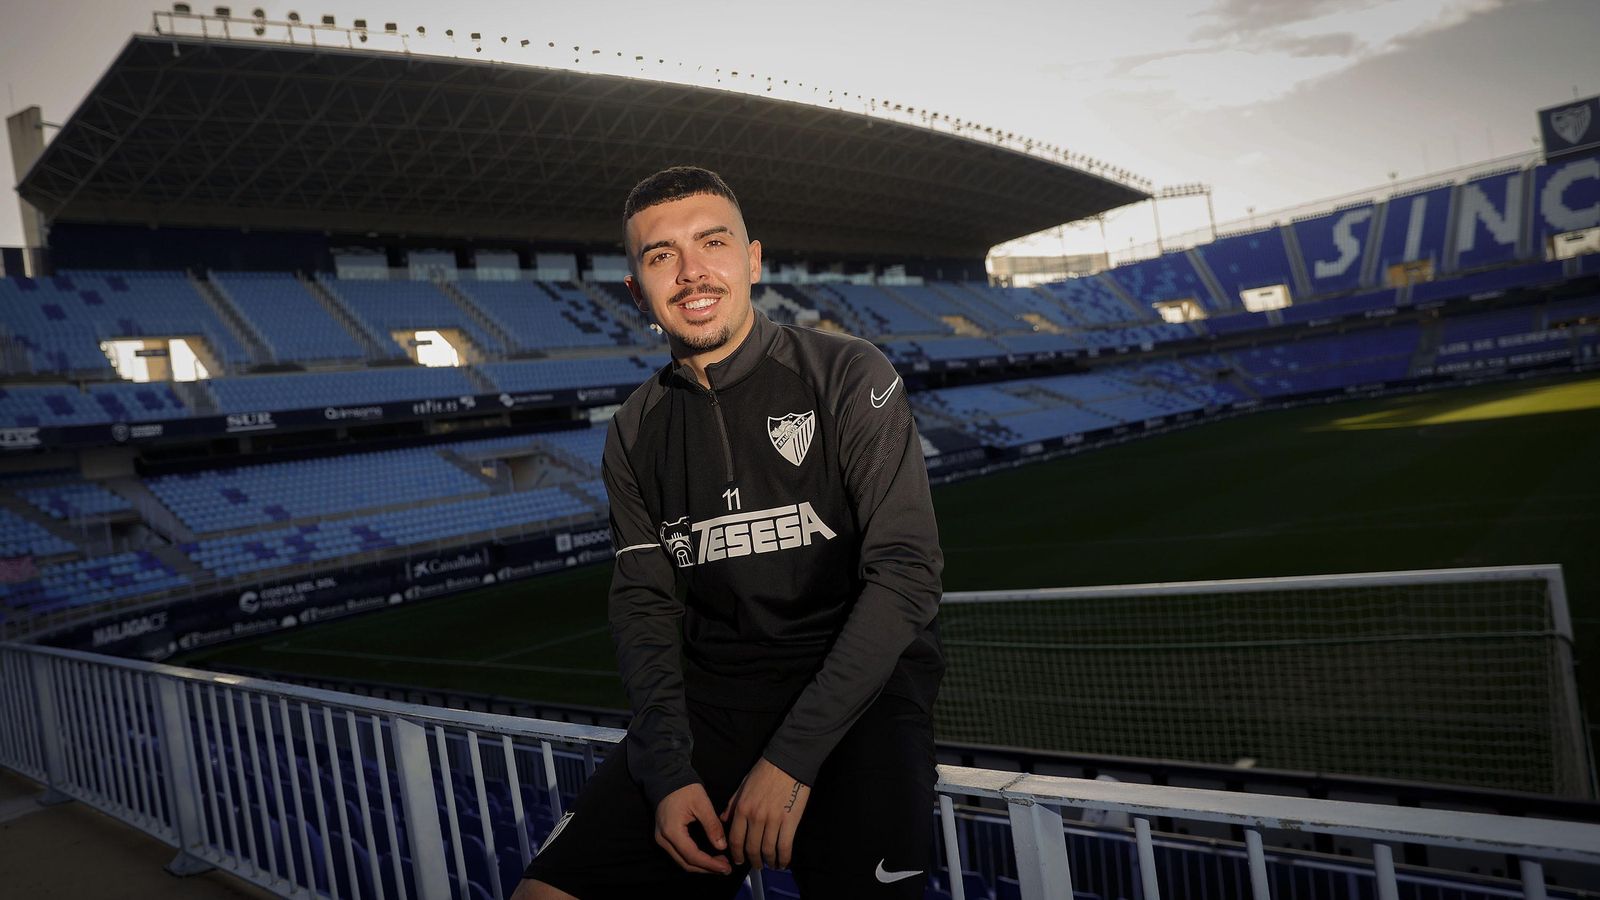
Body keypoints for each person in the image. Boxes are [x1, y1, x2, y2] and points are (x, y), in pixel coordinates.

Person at [514, 166, 944, 899]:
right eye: (660, 256)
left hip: (860, 693)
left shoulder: (846, 373)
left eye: (712, 243)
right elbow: (645, 607)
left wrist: (791, 762)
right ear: (635, 290)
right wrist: (668, 771)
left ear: (752, 260)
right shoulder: (634, 428)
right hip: (716, 698)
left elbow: (906, 574)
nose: (690, 272)